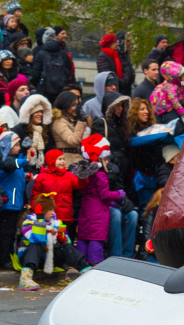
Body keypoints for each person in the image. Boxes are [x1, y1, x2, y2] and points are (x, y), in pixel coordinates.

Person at [70, 134, 125, 266]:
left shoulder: (87, 173)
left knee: (84, 236)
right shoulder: (101, 175)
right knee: (96, 238)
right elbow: (104, 194)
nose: (108, 162)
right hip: (98, 211)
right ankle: (95, 263)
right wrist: (118, 194)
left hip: (86, 207)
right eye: (106, 159)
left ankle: (81, 263)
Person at [0, 129, 26, 270]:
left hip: (15, 202)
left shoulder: (15, 159)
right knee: (5, 234)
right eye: (17, 145)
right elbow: (12, 166)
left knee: (12, 233)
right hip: (8, 203)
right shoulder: (5, 160)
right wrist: (27, 160)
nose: (19, 148)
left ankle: (10, 257)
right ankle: (3, 259)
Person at [30, 27, 76, 104]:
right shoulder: (63, 53)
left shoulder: (40, 53)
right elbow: (69, 72)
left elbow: (35, 73)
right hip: (61, 91)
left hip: (44, 91)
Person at [50, 90, 90, 165]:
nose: (76, 108)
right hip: (67, 164)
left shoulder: (72, 120)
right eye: (73, 105)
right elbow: (73, 141)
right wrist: (81, 122)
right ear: (64, 105)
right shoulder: (59, 121)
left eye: (77, 105)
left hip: (78, 161)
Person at [15, 93, 52, 172]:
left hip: (43, 172)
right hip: (25, 172)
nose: (40, 114)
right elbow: (19, 154)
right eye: (37, 112)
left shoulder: (45, 130)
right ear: (29, 114)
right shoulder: (19, 130)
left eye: (41, 111)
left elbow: (49, 152)